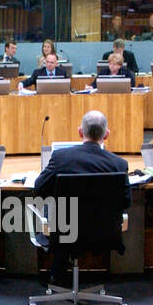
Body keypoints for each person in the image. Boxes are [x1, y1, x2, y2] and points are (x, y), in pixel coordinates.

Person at [32, 110, 130, 286]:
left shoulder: (61, 158)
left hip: (64, 231)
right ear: (106, 135)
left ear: (79, 132)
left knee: (55, 209)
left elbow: (39, 188)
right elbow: (126, 202)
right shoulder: (119, 164)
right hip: (103, 233)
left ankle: (58, 271)